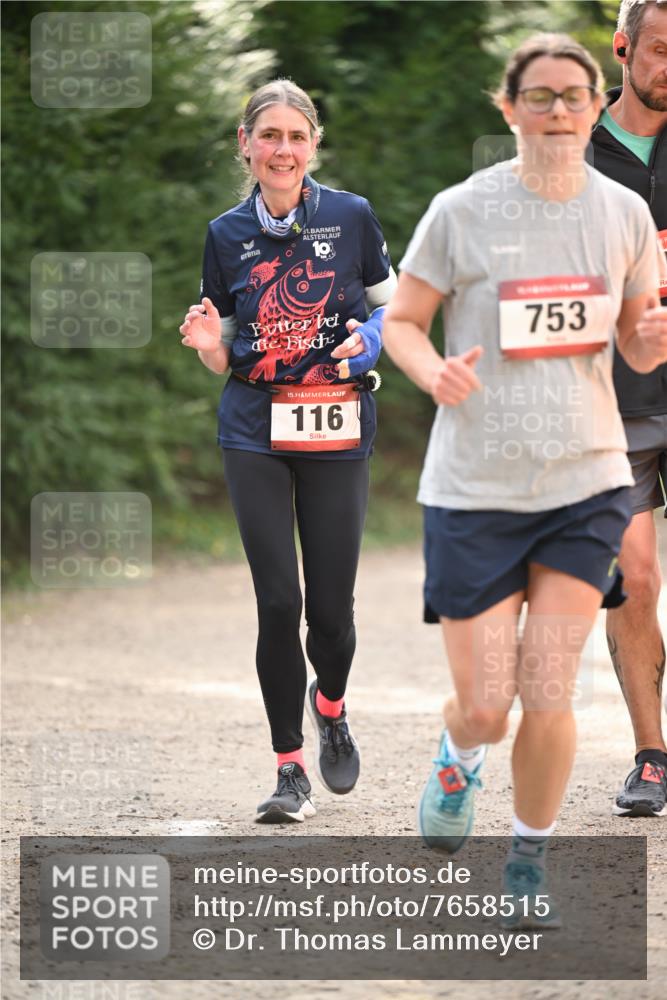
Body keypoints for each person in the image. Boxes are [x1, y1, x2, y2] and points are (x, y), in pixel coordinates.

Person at [383, 33, 667, 926]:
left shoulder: (621, 212)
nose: (556, 112)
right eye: (537, 97)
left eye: (572, 96)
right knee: (487, 704)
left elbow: (630, 334)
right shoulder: (460, 211)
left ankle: (526, 863)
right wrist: (433, 375)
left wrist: (644, 342)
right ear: (507, 109)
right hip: (475, 485)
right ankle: (457, 753)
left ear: (593, 105)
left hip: (586, 476)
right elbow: (402, 322)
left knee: (549, 685)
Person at [179, 80, 395, 823]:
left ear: (313, 146)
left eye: (295, 136)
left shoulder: (351, 216)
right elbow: (226, 342)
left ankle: (329, 704)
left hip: (334, 425)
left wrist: (370, 338)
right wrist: (212, 346)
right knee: (279, 601)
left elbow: (389, 307)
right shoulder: (222, 233)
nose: (282, 149)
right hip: (254, 429)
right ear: (246, 145)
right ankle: (288, 769)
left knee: (330, 615)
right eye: (268, 135)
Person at [591, 0, 667, 818]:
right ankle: (651, 756)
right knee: (633, 580)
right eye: (658, 50)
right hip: (611, 407)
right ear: (621, 48)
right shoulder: (573, 157)